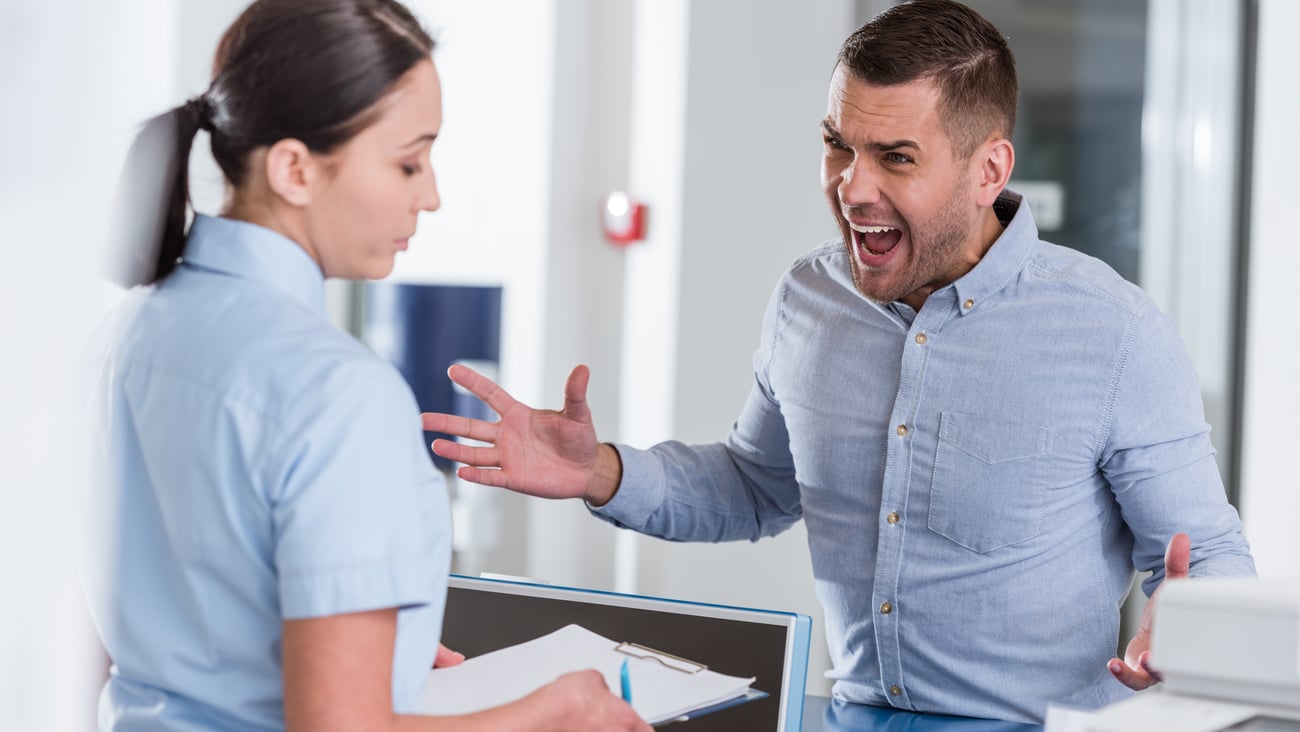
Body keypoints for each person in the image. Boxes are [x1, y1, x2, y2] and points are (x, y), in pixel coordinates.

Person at [422, 0, 1256, 724]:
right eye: (837, 146)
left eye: (895, 157)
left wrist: (1183, 622)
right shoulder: (808, 300)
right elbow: (755, 486)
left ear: (987, 169)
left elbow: (1207, 554)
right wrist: (601, 471)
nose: (850, 188)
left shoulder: (1114, 332)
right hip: (849, 716)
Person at [83, 1, 648, 730]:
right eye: (409, 161)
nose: (432, 194)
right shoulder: (336, 391)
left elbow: (157, 629)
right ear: (294, 168)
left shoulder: (121, 333)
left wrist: (381, 649)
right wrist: (553, 711)